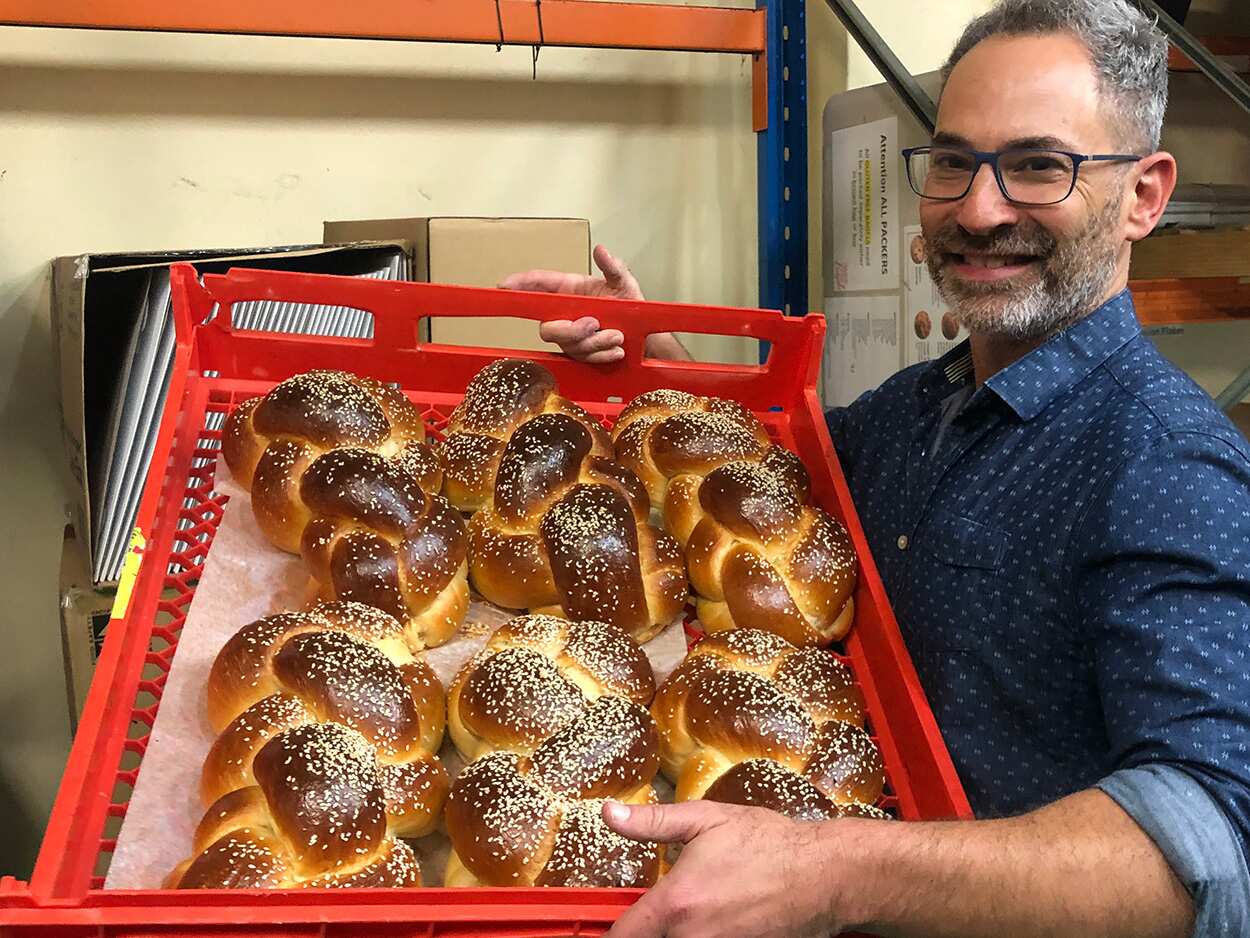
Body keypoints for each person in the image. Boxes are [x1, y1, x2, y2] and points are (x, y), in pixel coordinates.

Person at [502, 1, 1250, 936]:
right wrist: (652, 352)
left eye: (1037, 166)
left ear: (1144, 195)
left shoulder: (1168, 467)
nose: (979, 210)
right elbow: (755, 492)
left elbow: (1216, 851)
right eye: (953, 162)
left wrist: (837, 872)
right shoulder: (916, 405)